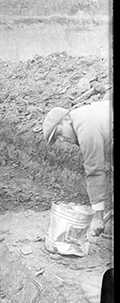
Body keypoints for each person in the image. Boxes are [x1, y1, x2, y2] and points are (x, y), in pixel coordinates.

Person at [42, 100, 112, 237]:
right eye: (57, 138)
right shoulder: (81, 119)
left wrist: (97, 217)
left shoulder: (85, 129)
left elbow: (94, 171)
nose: (62, 140)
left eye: (59, 133)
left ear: (66, 119)